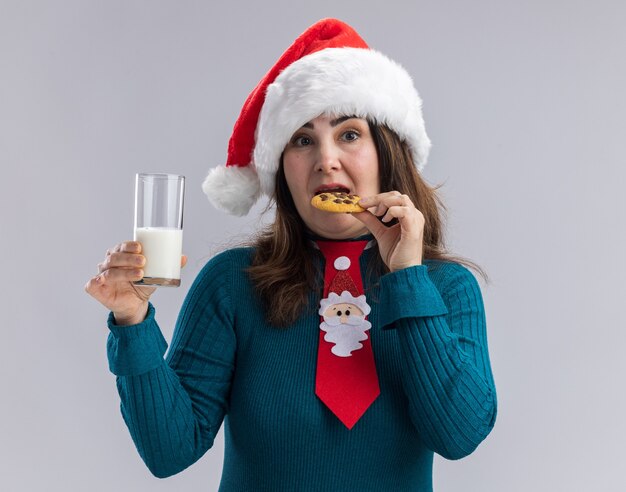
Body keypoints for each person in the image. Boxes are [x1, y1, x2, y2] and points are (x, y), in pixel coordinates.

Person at [85, 18, 497, 491]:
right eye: (303, 140)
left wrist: (407, 275)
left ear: (387, 153)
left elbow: (459, 435)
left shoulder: (446, 288)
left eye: (349, 134)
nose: (326, 159)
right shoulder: (232, 282)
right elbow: (169, 452)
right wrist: (133, 322)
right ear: (281, 168)